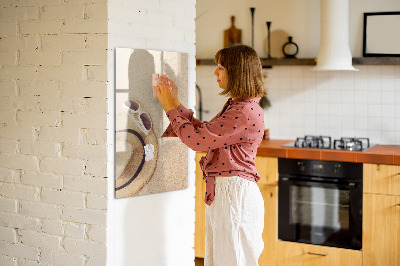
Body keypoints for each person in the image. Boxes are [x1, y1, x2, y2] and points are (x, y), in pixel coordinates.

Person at [153, 44, 266, 266]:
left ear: (237, 71)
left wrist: (169, 108)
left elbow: (197, 141)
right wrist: (175, 103)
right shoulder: (239, 106)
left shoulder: (243, 111)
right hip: (228, 193)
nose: (215, 72)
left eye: (221, 67)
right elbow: (205, 134)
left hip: (234, 195)